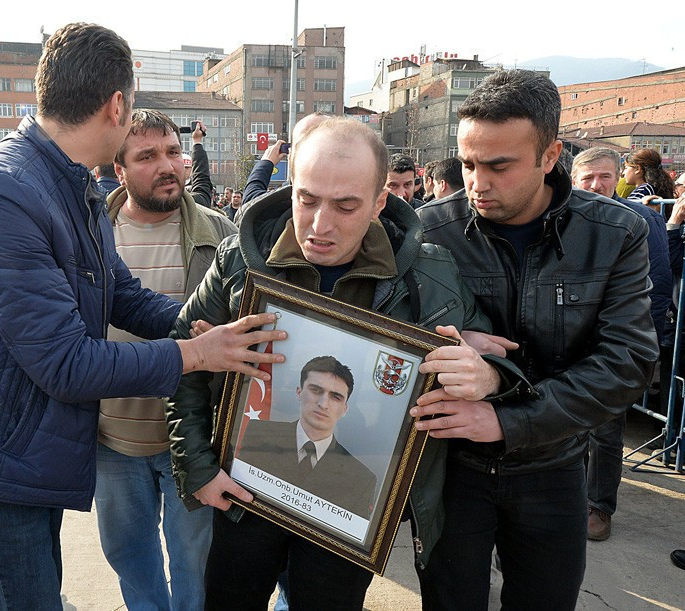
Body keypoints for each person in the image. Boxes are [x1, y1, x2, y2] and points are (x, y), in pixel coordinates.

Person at [0, 23, 284, 611]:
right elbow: (63, 362)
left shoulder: (68, 185)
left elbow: (122, 295)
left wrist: (202, 325)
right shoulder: (0, 193)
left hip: (23, 458)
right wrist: (194, 354)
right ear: (117, 104)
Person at [166, 116, 526, 609]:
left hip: (351, 509)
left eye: (346, 206)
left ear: (381, 202)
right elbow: (180, 362)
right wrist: (198, 468)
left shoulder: (430, 273)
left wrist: (485, 376)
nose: (320, 224)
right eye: (307, 199)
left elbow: (503, 370)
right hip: (244, 493)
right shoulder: (239, 262)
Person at [416, 69, 658, 610]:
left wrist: (506, 418)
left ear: (551, 156)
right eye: (468, 164)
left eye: (499, 166)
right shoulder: (428, 231)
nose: (477, 182)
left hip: (553, 468)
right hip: (451, 471)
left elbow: (628, 362)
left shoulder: (616, 233)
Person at [94, 108, 237, 610]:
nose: (167, 165)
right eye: (148, 156)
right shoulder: (91, 237)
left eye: (174, 152)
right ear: (120, 169)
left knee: (195, 565)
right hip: (112, 439)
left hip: (194, 440)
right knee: (129, 556)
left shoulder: (221, 234)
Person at [571, 146, 671, 541]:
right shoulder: (558, 217)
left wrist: (636, 344)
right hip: (564, 341)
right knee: (564, 427)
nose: (597, 185)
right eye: (588, 177)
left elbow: (658, 284)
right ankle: (568, 500)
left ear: (619, 179)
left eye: (605, 177)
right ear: (575, 179)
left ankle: (599, 507)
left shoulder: (641, 220)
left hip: (611, 345)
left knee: (606, 431)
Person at [236, 356, 376, 519]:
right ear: (299, 392)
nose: (323, 404)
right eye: (316, 390)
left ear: (345, 409)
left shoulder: (362, 478)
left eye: (335, 397)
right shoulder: (258, 433)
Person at [184, 120, 214, 208]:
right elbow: (202, 179)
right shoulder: (194, 202)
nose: (184, 170)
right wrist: (197, 141)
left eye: (187, 167)